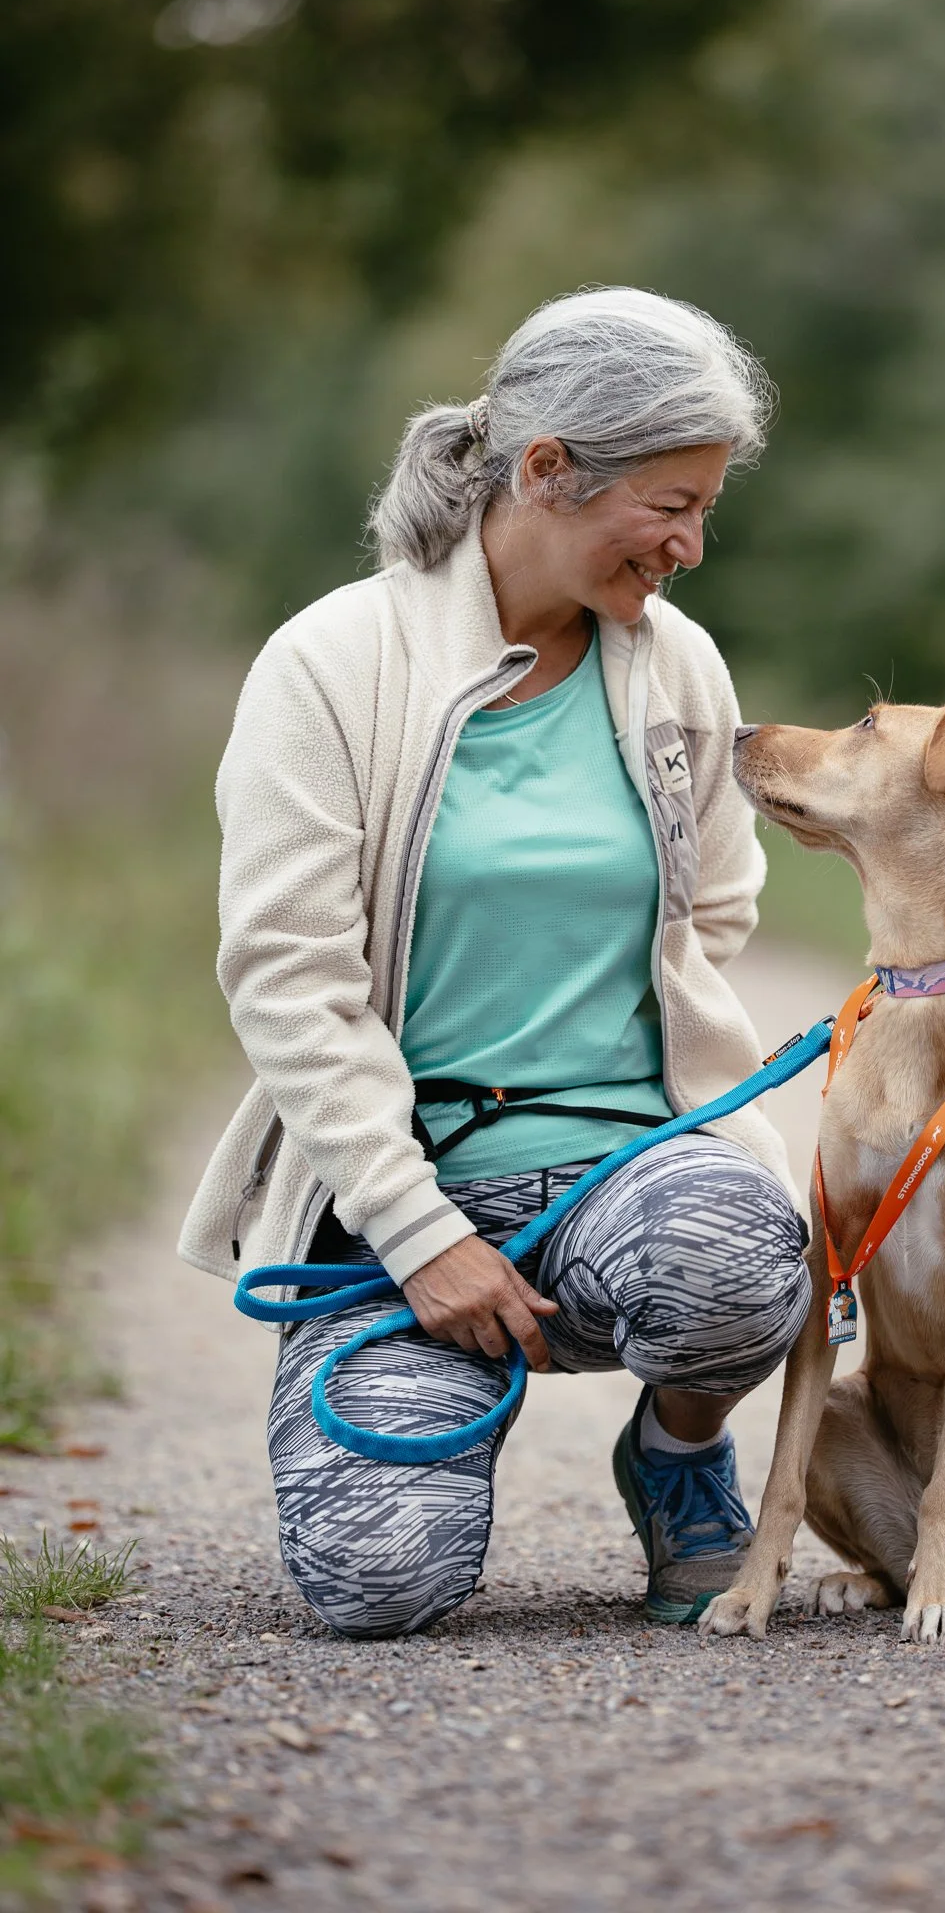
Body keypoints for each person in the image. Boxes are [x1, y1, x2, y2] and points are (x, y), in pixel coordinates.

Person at [179, 287, 811, 1638]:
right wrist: (420, 1235)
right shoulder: (331, 665)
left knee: (734, 1256)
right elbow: (289, 977)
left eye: (708, 508)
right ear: (546, 469)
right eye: (671, 505)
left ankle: (680, 1453)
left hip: (624, 1175)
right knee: (377, 1584)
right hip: (402, 1210)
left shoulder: (679, 668)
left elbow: (713, 913)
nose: (693, 546)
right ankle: (422, 1415)